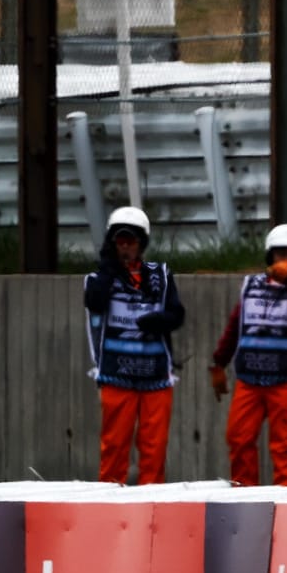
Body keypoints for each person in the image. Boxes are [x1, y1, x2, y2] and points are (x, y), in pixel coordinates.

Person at [210, 224, 287, 486]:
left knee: (285, 448)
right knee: (238, 439)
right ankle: (243, 497)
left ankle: (285, 505)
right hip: (249, 381)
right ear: (270, 256)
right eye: (280, 254)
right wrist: (218, 362)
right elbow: (235, 326)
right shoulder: (251, 285)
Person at [84, 206, 184, 485]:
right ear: (111, 243)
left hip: (156, 378)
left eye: (131, 241)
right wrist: (108, 266)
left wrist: (159, 320)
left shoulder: (161, 274)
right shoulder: (99, 278)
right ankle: (109, 508)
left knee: (154, 451)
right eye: (120, 241)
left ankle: (150, 509)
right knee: (114, 449)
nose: (126, 246)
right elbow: (95, 302)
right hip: (117, 375)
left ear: (142, 243)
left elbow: (178, 314)